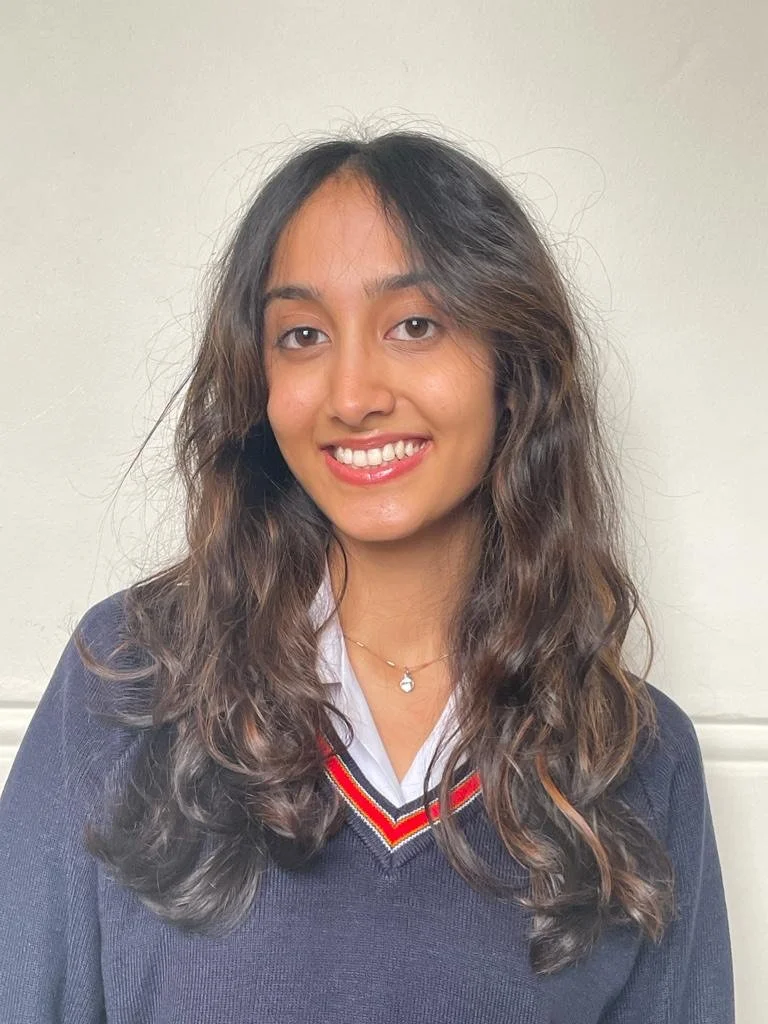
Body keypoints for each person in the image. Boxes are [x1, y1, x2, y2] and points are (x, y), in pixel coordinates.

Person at [0, 130, 734, 1023]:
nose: (352, 396)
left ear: (514, 366)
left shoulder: (636, 757)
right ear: (260, 382)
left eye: (414, 325)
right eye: (302, 335)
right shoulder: (127, 679)